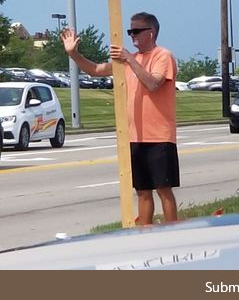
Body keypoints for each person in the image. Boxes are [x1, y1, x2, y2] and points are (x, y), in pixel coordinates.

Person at [61, 12, 179, 225]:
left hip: (159, 136)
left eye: (136, 31)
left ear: (150, 33)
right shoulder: (127, 61)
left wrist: (130, 59)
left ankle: (173, 235)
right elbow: (96, 70)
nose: (132, 35)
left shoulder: (163, 56)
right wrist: (73, 54)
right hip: (134, 136)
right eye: (129, 31)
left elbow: (153, 84)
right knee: (142, 191)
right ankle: (144, 234)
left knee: (163, 189)